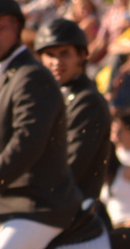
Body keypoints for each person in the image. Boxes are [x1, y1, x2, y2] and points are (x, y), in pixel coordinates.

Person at [0, 0, 83, 249]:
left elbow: (28, 141)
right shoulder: (0, 75)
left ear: (19, 28)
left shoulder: (31, 76)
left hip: (39, 203)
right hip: (6, 202)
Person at [33, 18, 112, 206]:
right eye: (50, 55)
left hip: (69, 209)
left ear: (82, 56)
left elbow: (69, 168)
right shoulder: (48, 96)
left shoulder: (88, 101)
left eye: (64, 53)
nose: (56, 62)